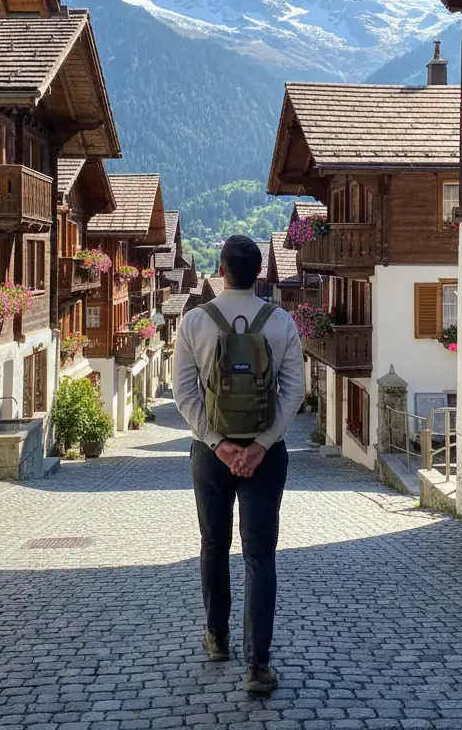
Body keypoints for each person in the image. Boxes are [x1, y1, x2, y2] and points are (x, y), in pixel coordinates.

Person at [173, 235, 304, 695]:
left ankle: (216, 637)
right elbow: (293, 393)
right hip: (266, 457)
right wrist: (262, 445)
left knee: (214, 544)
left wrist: (218, 443)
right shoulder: (282, 322)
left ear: (221, 269)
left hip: (210, 454)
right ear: (258, 273)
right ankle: (258, 666)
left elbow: (184, 394)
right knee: (260, 555)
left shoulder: (195, 321)